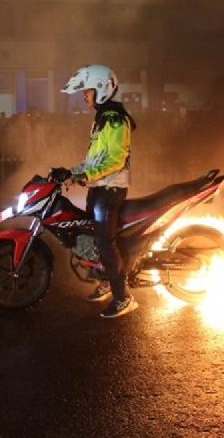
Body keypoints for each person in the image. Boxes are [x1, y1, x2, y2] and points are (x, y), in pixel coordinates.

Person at [61, 64, 138, 319]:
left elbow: (116, 159)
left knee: (105, 242)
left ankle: (123, 297)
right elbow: (93, 160)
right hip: (98, 189)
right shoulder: (103, 118)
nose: (84, 95)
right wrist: (71, 172)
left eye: (87, 90)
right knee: (95, 238)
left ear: (102, 89)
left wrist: (86, 176)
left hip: (110, 190)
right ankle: (107, 280)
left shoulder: (116, 119)